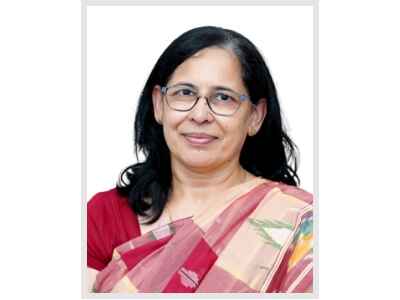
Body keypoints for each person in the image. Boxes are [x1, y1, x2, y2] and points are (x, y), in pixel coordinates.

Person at [87, 26, 313, 293]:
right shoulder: (104, 216)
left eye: (223, 98)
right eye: (185, 93)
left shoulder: (298, 222)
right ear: (159, 104)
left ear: (255, 116)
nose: (200, 115)